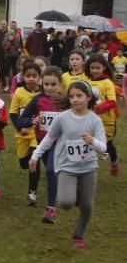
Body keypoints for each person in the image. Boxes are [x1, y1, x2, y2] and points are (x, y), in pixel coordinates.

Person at [29, 81, 107, 250]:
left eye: (79, 96)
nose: (75, 99)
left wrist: (92, 141)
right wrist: (35, 156)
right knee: (65, 202)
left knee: (87, 206)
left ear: (88, 97)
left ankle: (78, 235)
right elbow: (49, 139)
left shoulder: (95, 120)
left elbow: (104, 147)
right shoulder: (62, 118)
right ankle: (76, 195)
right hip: (66, 167)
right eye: (71, 96)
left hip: (88, 168)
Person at [18, 66, 64, 223]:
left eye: (53, 84)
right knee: (52, 170)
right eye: (46, 84)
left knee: (51, 170)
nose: (49, 88)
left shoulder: (65, 100)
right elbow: (22, 118)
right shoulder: (37, 99)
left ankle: (51, 209)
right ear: (42, 83)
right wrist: (32, 121)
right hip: (43, 143)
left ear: (60, 83)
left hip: (61, 144)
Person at [9, 61, 43, 205]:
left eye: (34, 76)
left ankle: (32, 193)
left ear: (39, 77)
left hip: (37, 134)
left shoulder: (43, 93)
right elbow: (13, 113)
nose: (31, 78)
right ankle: (26, 159)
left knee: (34, 160)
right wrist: (20, 127)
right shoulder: (19, 92)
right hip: (22, 133)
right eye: (28, 75)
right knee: (24, 163)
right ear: (23, 77)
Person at [85, 53, 119, 175]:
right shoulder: (86, 81)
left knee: (107, 144)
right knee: (88, 142)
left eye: (97, 68)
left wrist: (97, 109)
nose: (95, 70)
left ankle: (114, 163)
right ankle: (88, 168)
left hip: (106, 121)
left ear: (104, 67)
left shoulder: (107, 82)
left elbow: (112, 101)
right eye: (92, 68)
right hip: (89, 119)